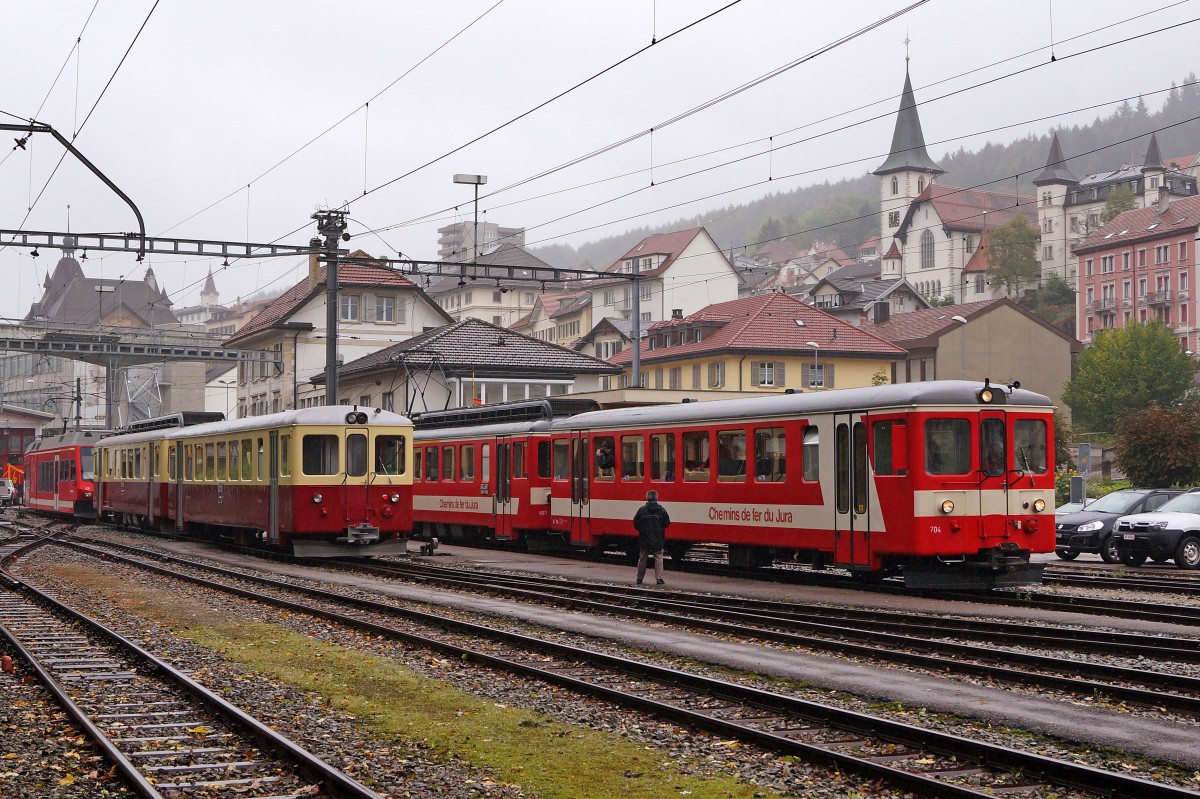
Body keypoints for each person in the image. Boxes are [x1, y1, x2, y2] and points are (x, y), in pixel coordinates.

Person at [633, 489, 670, 585]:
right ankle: (659, 579)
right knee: (658, 558)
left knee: (642, 558)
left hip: (644, 538)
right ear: (657, 498)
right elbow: (667, 523)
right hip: (658, 538)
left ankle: (639, 578)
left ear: (647, 498)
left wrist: (642, 530)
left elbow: (636, 523)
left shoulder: (642, 510)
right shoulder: (662, 510)